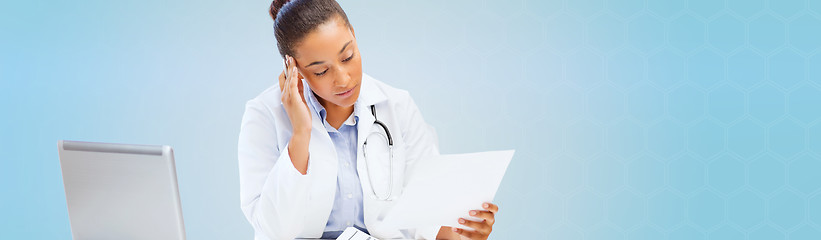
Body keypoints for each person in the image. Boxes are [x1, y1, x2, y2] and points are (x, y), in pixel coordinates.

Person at [238, 0, 499, 239]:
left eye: (348, 56)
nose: (344, 79)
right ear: (293, 68)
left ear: (353, 34)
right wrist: (301, 133)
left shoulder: (397, 105)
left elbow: (423, 213)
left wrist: (461, 232)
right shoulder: (263, 115)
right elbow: (272, 229)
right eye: (321, 71)